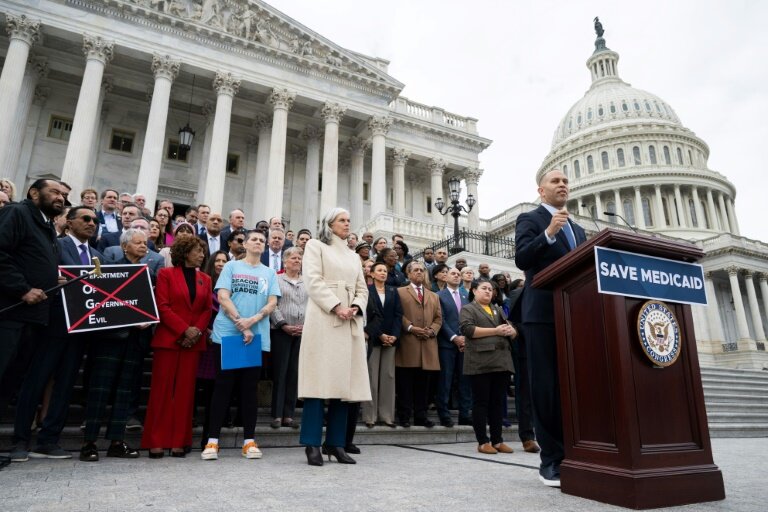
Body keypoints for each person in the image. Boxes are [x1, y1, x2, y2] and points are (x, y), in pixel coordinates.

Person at [10, 206, 104, 462]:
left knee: (65, 385)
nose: (91, 223)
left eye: (95, 220)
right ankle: (20, 439)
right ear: (69, 222)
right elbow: (39, 275)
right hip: (52, 324)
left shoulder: (97, 255)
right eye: (85, 218)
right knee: (36, 381)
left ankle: (49, 439)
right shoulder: (56, 246)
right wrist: (54, 279)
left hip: (80, 330)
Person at [515, 168, 586, 487]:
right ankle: (551, 461)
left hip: (575, 313)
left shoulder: (579, 229)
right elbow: (522, 259)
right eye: (555, 181)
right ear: (541, 191)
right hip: (542, 312)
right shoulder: (530, 219)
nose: (562, 185)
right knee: (545, 387)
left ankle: (577, 452)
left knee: (572, 385)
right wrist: (548, 235)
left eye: (565, 182)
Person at [297, 208, 370, 466]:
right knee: (318, 383)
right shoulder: (316, 246)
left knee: (344, 385)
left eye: (349, 220)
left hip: (350, 319)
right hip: (324, 317)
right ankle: (312, 443)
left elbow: (362, 287)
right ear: (329, 224)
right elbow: (313, 281)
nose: (347, 223)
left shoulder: (353, 255)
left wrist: (356, 307)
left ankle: (336, 443)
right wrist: (336, 305)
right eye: (342, 220)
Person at [201, 229, 280, 461]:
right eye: (254, 239)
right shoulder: (231, 267)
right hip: (230, 335)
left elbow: (272, 302)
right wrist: (242, 324)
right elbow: (223, 297)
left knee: (249, 390)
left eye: (262, 241)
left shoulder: (269, 273)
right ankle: (212, 442)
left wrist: (252, 322)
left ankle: (249, 441)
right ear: (244, 244)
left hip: (254, 337)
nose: (258, 242)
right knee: (223, 387)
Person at [79, 228, 155, 462]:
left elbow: (150, 304)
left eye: (146, 243)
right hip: (109, 341)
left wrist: (148, 320)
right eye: (138, 243)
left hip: (135, 341)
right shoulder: (110, 270)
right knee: (99, 392)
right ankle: (89, 443)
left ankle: (116, 441)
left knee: (125, 393)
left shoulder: (149, 273)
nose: (144, 246)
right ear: (124, 246)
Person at [141, 235, 211, 458]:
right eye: (197, 250)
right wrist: (184, 330)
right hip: (169, 340)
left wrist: (196, 331)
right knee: (161, 392)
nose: (202, 255)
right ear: (185, 252)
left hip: (193, 343)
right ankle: (156, 440)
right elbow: (162, 305)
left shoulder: (206, 279)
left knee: (185, 393)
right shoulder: (166, 274)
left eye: (202, 251)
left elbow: (206, 310)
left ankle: (180, 440)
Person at [0, 179, 65, 396]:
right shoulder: (16, 213)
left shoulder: (47, 225)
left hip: (32, 318)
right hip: (10, 314)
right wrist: (23, 289)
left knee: (8, 383)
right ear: (34, 193)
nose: (60, 197)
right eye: (54, 192)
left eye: (63, 195)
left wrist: (51, 281)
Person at [459, 278, 517, 455]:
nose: (488, 292)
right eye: (484, 288)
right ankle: (483, 441)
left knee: (497, 403)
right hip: (480, 362)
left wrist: (512, 331)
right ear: (474, 291)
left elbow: (509, 330)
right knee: (481, 402)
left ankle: (497, 440)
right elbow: (468, 330)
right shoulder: (468, 309)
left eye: (491, 289)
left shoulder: (497, 309)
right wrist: (496, 331)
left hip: (501, 362)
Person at [396, 261, 442, 428]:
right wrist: (411, 327)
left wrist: (432, 330)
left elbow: (438, 318)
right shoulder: (400, 292)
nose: (419, 273)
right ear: (408, 274)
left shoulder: (434, 295)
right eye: (415, 270)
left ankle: (421, 416)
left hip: (427, 344)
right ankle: (405, 416)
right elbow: (398, 313)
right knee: (405, 384)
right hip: (408, 343)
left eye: (422, 270)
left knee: (424, 385)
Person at [362, 261, 402, 428]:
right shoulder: (366, 291)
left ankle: (386, 416)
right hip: (373, 338)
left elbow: (398, 315)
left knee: (388, 377)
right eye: (379, 270)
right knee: (371, 377)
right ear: (371, 273)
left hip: (390, 340)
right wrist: (379, 334)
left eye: (385, 270)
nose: (383, 273)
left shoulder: (393, 291)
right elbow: (368, 317)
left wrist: (394, 335)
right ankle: (370, 416)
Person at [269, 247, 306, 429]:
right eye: (293, 258)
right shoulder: (276, 279)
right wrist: (283, 324)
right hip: (281, 331)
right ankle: (276, 414)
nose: (297, 260)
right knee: (280, 373)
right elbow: (272, 305)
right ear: (284, 261)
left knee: (294, 373)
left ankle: (288, 415)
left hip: (302, 333)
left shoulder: (307, 281)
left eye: (299, 258)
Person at [196, 250, 229, 448]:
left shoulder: (230, 286)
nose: (220, 264)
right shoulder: (204, 284)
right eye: (217, 260)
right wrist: (206, 330)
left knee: (216, 390)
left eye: (224, 261)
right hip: (205, 341)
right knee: (199, 389)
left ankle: (209, 435)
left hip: (224, 342)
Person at [436, 267, 472, 427]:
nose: (457, 276)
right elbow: (441, 320)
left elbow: (470, 319)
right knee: (445, 380)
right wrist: (454, 337)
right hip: (446, 344)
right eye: (453, 273)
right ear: (445, 277)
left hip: (465, 345)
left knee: (465, 381)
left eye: (459, 274)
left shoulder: (466, 296)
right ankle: (444, 414)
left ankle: (465, 414)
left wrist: (465, 339)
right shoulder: (439, 296)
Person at [507, 278, 540, 454]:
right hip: (525, 351)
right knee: (525, 396)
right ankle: (527, 437)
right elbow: (513, 322)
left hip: (548, 349)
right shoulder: (518, 293)